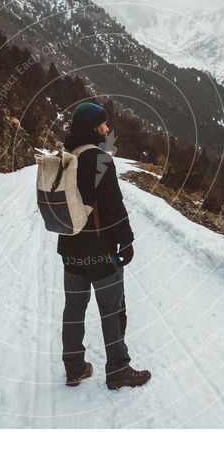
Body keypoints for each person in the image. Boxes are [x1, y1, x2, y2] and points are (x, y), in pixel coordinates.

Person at [58, 102, 151, 390]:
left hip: (71, 247)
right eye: (102, 124)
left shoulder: (66, 157)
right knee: (112, 308)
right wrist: (127, 239)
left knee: (73, 308)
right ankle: (118, 370)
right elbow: (113, 206)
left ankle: (74, 368)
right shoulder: (100, 160)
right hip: (100, 249)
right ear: (92, 128)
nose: (107, 129)